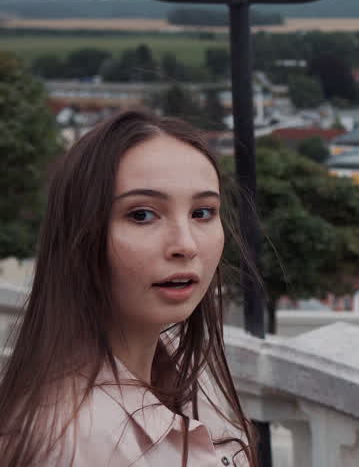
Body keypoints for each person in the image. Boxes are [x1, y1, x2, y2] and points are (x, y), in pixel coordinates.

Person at [0, 111, 258, 466]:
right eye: (142, 215)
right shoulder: (69, 443)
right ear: (79, 237)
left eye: (202, 213)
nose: (185, 245)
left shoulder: (190, 382)